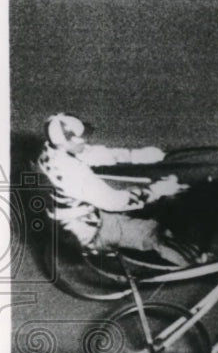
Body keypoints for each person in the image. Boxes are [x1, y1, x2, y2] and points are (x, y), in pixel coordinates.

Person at [37, 113, 196, 266]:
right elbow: (114, 202)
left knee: (136, 193)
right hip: (88, 232)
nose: (85, 141)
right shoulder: (72, 173)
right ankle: (199, 265)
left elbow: (95, 154)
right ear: (64, 143)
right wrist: (158, 190)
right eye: (80, 139)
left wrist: (140, 156)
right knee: (153, 233)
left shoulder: (53, 152)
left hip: (68, 218)